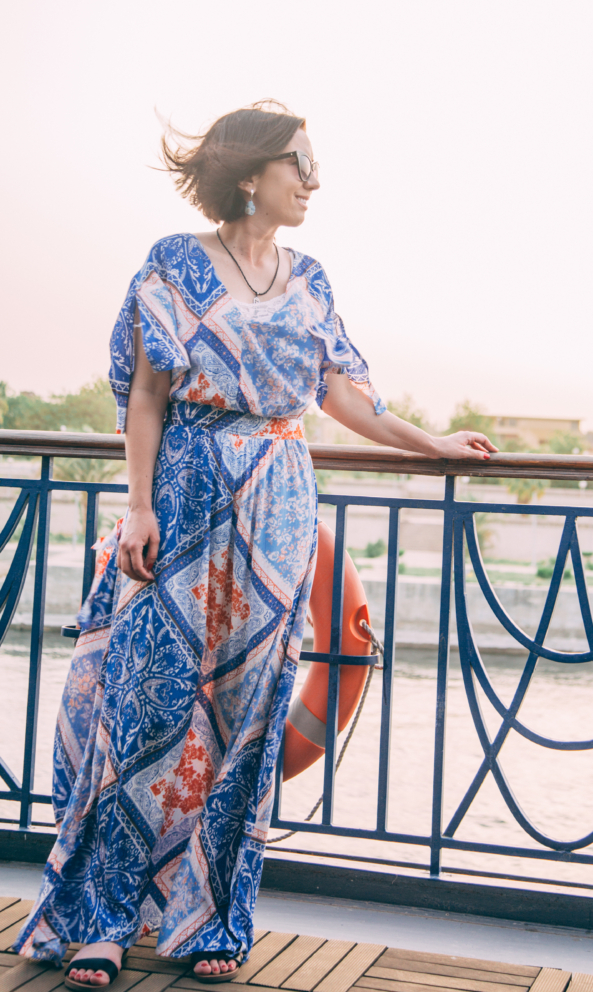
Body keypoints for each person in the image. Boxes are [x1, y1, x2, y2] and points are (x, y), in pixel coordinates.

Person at [14, 101, 496, 987]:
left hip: (275, 503)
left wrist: (434, 444)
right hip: (187, 494)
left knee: (247, 719)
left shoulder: (310, 278)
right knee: (147, 704)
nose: (312, 182)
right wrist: (141, 506)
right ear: (250, 174)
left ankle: (207, 923)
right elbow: (148, 397)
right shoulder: (175, 264)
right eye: (298, 165)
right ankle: (104, 917)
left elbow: (345, 400)